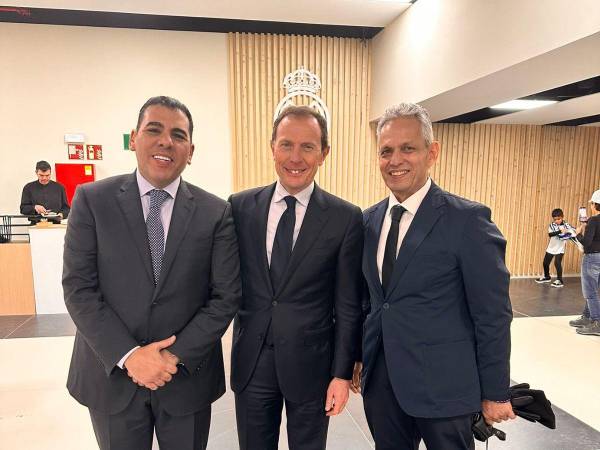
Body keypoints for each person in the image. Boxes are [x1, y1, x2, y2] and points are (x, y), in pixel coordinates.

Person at [63, 96, 242, 450]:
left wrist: (170, 359)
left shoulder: (215, 212)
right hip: (111, 377)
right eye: (154, 130)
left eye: (178, 135)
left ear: (190, 150)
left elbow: (225, 297)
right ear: (134, 139)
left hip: (185, 378)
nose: (166, 142)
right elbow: (79, 289)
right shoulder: (92, 201)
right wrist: (131, 356)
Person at [353, 103, 515, 450]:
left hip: (446, 390)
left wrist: (495, 391)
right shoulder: (368, 222)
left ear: (432, 152)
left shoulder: (467, 221)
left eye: (407, 148)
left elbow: (492, 314)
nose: (395, 160)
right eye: (386, 151)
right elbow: (370, 301)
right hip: (382, 385)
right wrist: (358, 356)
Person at [228, 105, 363, 450]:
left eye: (308, 146)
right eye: (286, 144)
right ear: (272, 146)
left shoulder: (345, 218)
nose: (295, 157)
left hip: (313, 367)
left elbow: (347, 305)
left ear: (324, 154)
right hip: (253, 362)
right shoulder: (240, 208)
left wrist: (341, 374)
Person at [570, 189, 600, 335]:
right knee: (594, 290)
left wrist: (578, 234)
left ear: (595, 205)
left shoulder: (593, 220)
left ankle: (597, 322)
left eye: (592, 203)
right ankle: (587, 317)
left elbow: (587, 244)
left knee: (590, 292)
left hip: (592, 259)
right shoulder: (592, 221)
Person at [534, 208, 576, 288]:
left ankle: (559, 280)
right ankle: (547, 277)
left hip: (560, 248)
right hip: (551, 247)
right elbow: (551, 234)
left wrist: (572, 231)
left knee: (557, 263)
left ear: (562, 217)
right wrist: (561, 231)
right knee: (545, 263)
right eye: (555, 219)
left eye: (559, 219)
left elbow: (572, 231)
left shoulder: (566, 225)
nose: (557, 221)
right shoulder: (552, 225)